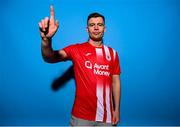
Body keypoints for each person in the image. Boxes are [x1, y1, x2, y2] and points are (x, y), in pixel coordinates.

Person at [38, 5, 121, 126]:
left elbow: (116, 82)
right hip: (80, 117)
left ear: (105, 29)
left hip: (106, 118)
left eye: (100, 25)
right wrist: (46, 40)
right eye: (92, 25)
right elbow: (49, 57)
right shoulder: (76, 50)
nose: (96, 28)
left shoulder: (112, 54)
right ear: (87, 29)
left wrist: (117, 109)